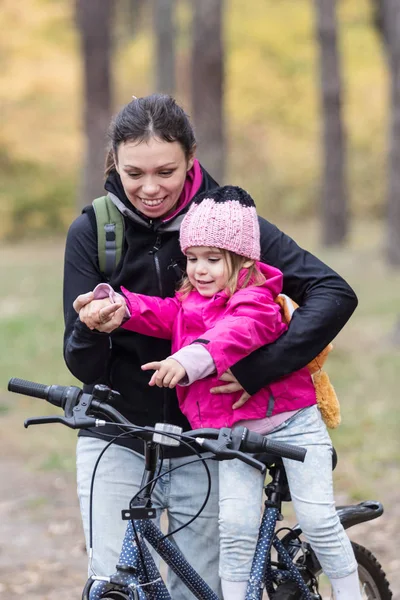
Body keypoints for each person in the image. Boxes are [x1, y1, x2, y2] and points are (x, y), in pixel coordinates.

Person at [64, 93, 358, 600]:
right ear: (114, 162)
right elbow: (81, 360)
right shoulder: (95, 231)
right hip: (116, 431)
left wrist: (258, 371)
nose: (150, 188)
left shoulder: (229, 224)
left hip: (204, 440)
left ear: (191, 160)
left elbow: (332, 292)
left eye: (166, 171)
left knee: (198, 590)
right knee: (112, 585)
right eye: (134, 173)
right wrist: (91, 326)